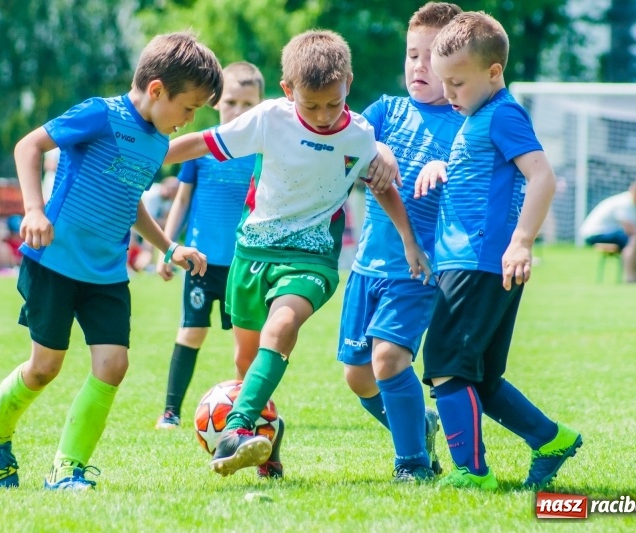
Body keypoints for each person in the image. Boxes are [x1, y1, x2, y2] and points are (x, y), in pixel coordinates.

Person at [164, 29, 431, 478]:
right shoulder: (269, 118)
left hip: (312, 258)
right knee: (247, 364)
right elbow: (202, 143)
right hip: (251, 254)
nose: (325, 115)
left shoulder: (360, 135)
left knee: (283, 324)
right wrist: (145, 161)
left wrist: (408, 240)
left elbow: (381, 187)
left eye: (334, 102)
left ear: (348, 81)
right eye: (312, 105)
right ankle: (270, 438)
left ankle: (238, 426)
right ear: (288, 91)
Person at [0, 32, 220, 491]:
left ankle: (68, 469)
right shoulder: (100, 115)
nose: (188, 120)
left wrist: (169, 247)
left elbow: (132, 202)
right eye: (188, 108)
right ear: (156, 90)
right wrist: (32, 209)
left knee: (113, 365)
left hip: (107, 272)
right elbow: (28, 147)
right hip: (55, 262)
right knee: (44, 368)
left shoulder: (155, 144)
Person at [415, 12, 582, 490]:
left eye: (457, 83)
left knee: (446, 367)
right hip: (471, 261)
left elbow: (542, 176)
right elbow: (483, 174)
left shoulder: (504, 112)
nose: (448, 93)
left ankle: (471, 473)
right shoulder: (478, 116)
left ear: (493, 72)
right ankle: (551, 441)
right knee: (480, 380)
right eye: (444, 82)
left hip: (480, 261)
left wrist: (522, 242)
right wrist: (440, 166)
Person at [336, 1, 464, 483]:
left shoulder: (465, 122)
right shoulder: (386, 111)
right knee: (358, 374)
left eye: (431, 58)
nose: (419, 67)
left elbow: (479, 176)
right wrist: (377, 144)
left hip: (419, 269)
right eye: (413, 55)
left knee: (389, 359)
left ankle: (412, 465)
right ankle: (420, 426)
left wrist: (447, 168)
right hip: (368, 264)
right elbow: (345, 134)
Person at [154, 62, 263, 428]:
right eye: (232, 102)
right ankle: (171, 411)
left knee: (244, 346)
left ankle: (247, 412)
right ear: (216, 102)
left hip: (245, 264)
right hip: (200, 260)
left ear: (262, 105)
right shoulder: (200, 148)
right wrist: (166, 247)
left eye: (249, 105)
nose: (239, 111)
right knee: (191, 331)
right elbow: (182, 200)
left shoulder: (264, 150)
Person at [580, 180, 636, 283]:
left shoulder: (631, 203)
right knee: (634, 240)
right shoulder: (625, 202)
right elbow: (630, 228)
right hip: (596, 233)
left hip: (603, 232)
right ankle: (630, 276)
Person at [129, 175, 180, 272]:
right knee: (139, 243)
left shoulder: (167, 199)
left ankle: (163, 263)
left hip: (143, 224)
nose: (174, 192)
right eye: (173, 189)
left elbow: (166, 220)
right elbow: (147, 220)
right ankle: (141, 264)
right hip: (132, 223)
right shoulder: (152, 194)